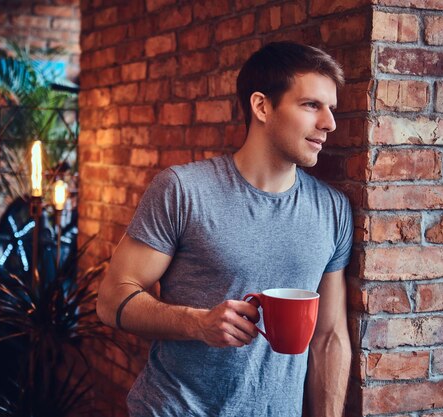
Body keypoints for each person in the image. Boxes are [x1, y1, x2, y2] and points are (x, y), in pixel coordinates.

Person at [96, 41, 353, 417]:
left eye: (331, 108)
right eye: (311, 105)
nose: (329, 123)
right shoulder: (183, 190)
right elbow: (111, 299)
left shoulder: (333, 209)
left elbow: (329, 336)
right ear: (262, 106)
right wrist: (197, 324)